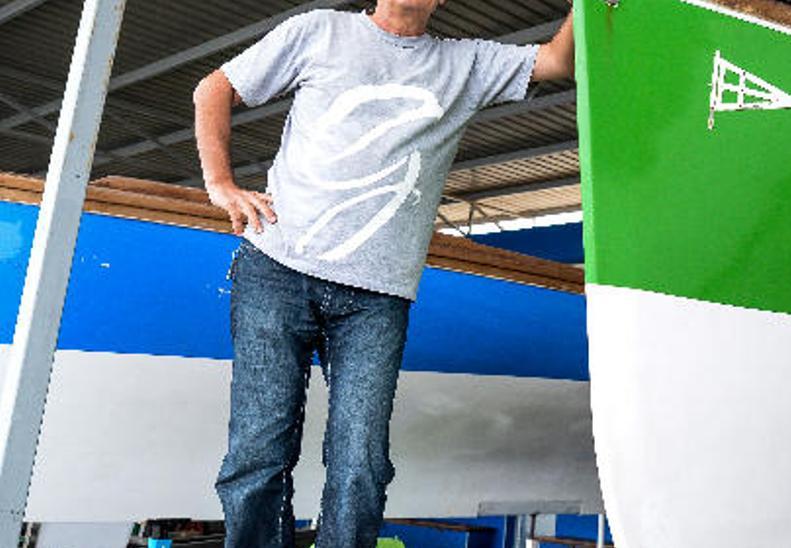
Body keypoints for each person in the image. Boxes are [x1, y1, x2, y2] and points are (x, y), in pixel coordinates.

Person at [191, 0, 574, 546]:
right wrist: (220, 183)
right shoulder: (319, 29)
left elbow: (559, 62)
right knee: (257, 451)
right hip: (276, 269)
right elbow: (214, 88)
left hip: (376, 297)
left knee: (361, 464)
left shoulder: (465, 63)